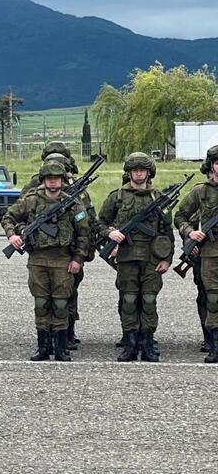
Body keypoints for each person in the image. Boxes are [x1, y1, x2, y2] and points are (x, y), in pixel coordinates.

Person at [2, 160, 89, 361]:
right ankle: (43, 347)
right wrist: (12, 235)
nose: (52, 182)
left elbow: (84, 234)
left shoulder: (73, 203)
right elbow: (8, 217)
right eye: (49, 179)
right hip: (38, 259)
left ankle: (60, 348)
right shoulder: (31, 200)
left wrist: (78, 259)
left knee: (60, 305)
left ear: (62, 180)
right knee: (41, 303)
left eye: (56, 179)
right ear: (43, 180)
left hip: (62, 260)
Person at [98, 152, 173, 362]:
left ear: (149, 173)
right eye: (135, 170)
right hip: (127, 258)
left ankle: (147, 344)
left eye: (142, 170)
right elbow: (100, 223)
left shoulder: (158, 198)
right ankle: (130, 344)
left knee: (148, 300)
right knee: (129, 301)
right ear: (129, 172)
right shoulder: (117, 196)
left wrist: (167, 259)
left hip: (152, 258)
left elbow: (167, 232)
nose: (138, 174)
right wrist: (110, 234)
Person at [174, 145, 218, 363]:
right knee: (211, 298)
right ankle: (213, 341)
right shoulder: (200, 192)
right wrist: (191, 233)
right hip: (208, 254)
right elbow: (180, 216)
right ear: (212, 167)